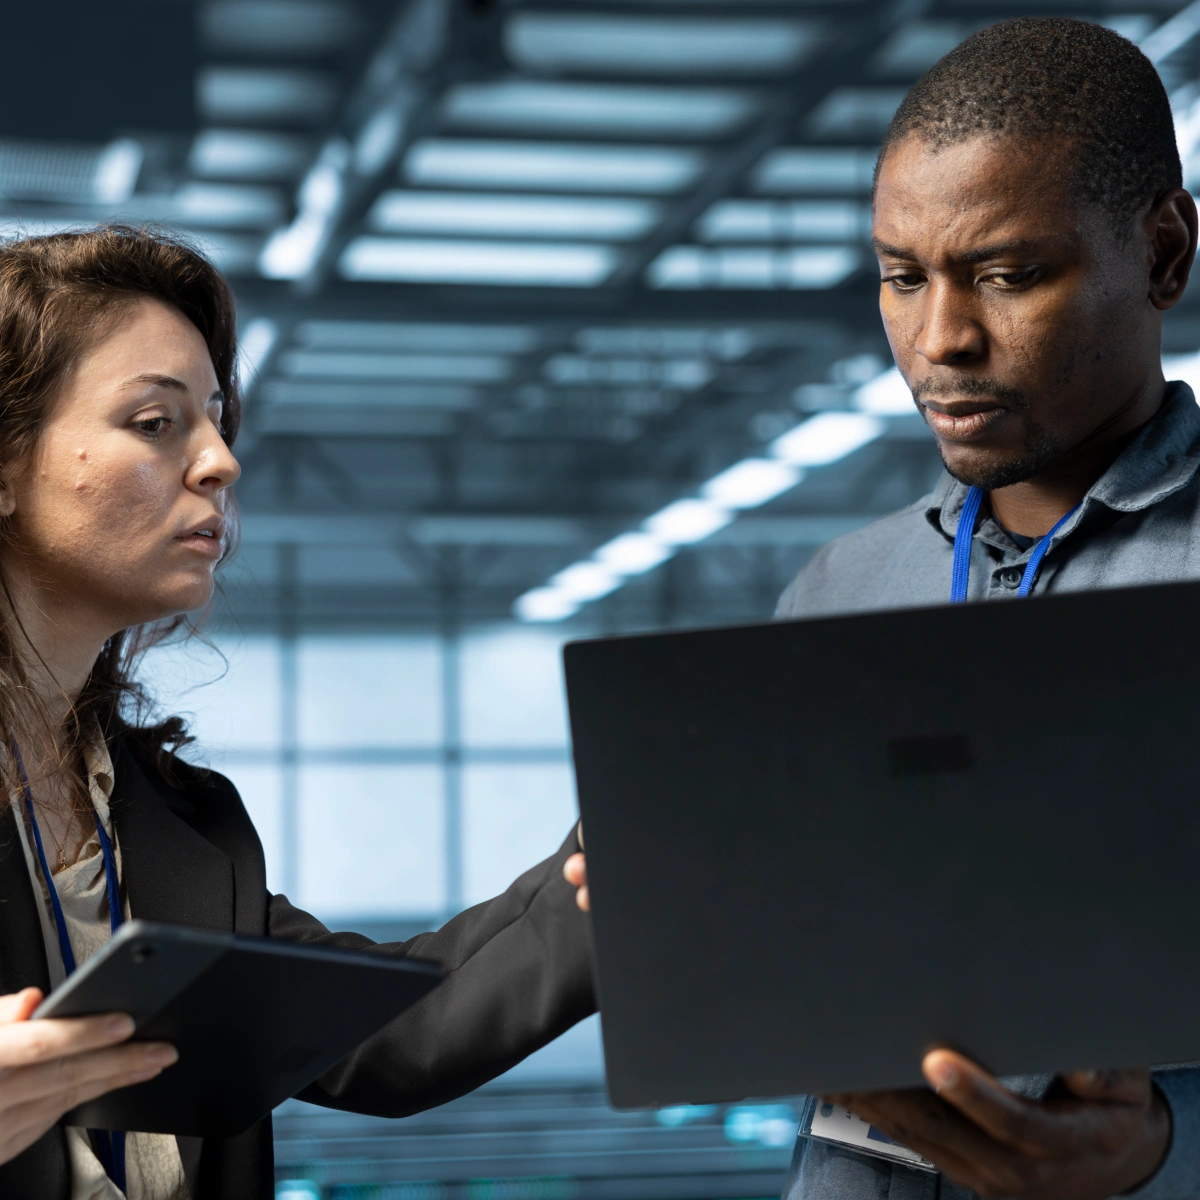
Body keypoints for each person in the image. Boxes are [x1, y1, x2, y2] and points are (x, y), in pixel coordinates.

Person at [568, 16, 1200, 1200]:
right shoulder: (837, 593)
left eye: (1009, 275)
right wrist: (696, 921)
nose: (939, 339)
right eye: (903, 278)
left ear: (1163, 253)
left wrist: (1161, 1150)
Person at [0, 227, 595, 1200]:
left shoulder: (181, 824)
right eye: (155, 422)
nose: (220, 462)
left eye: (216, 422)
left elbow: (396, 1033)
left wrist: (631, 855)